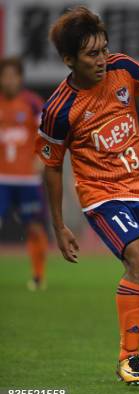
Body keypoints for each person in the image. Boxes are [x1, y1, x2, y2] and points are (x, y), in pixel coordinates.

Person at [36, 6, 139, 386]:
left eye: (103, 50)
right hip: (103, 197)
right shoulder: (58, 110)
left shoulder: (123, 68)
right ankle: (128, 358)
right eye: (91, 54)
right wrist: (59, 226)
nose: (101, 60)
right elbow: (51, 166)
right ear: (68, 60)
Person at [0, 57, 49, 291]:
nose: (9, 80)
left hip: (28, 179)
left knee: (35, 227)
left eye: (13, 75)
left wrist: (41, 158)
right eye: (5, 76)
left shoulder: (32, 103)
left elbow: (46, 134)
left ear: (20, 78)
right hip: (1, 179)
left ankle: (38, 277)